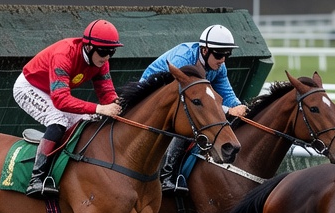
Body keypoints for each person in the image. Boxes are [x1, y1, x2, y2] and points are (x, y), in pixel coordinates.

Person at [14, 20, 124, 197]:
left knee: (88, 121)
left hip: (54, 91)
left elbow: (106, 93)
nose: (106, 57)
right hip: (29, 87)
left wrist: (117, 106)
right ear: (88, 47)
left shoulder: (102, 63)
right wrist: (98, 108)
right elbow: (60, 100)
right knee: (58, 120)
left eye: (112, 52)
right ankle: (36, 179)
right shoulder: (64, 54)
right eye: (103, 51)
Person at [143, 24, 250, 194]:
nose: (223, 59)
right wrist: (227, 110)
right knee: (189, 119)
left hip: (185, 98)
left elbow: (227, 94)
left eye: (227, 54)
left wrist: (238, 107)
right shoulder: (183, 60)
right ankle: (166, 175)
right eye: (219, 54)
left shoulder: (219, 67)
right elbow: (187, 99)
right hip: (154, 95)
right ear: (205, 50)